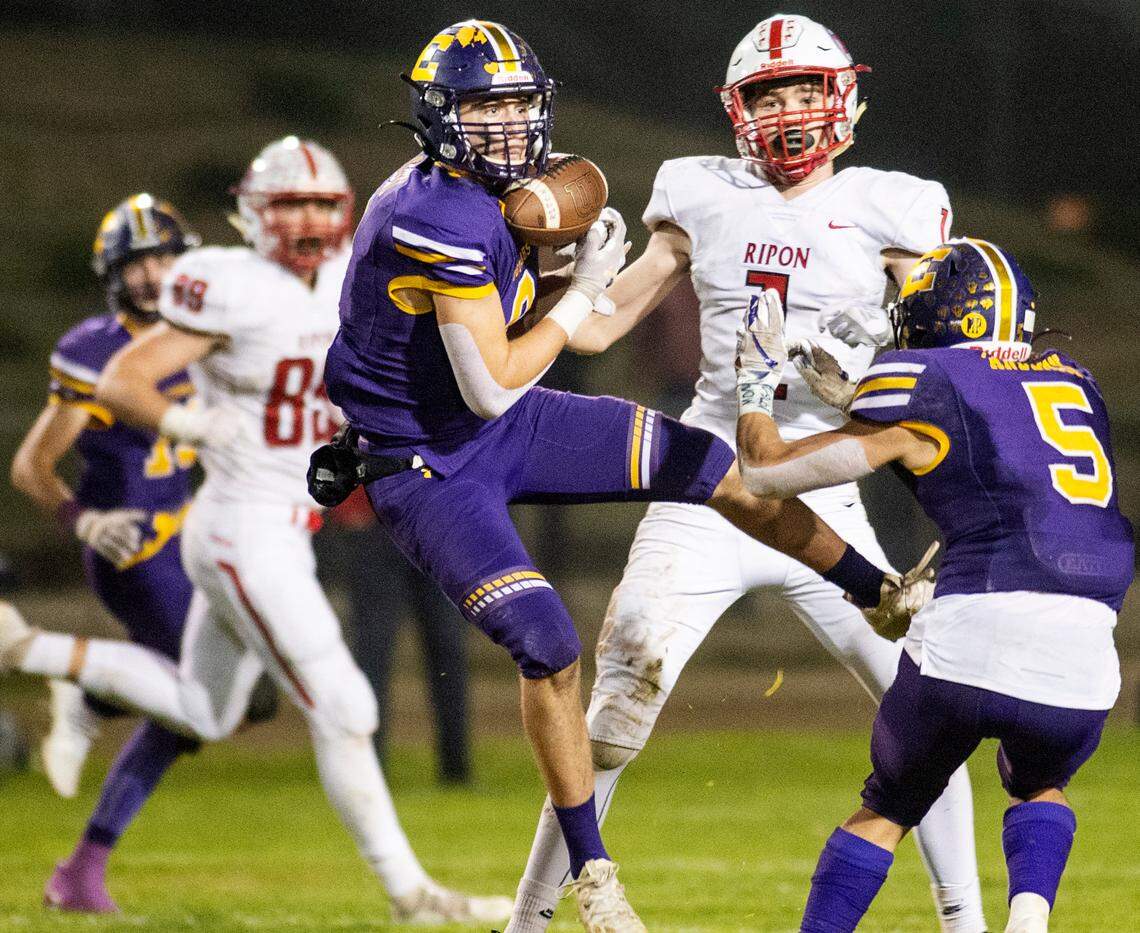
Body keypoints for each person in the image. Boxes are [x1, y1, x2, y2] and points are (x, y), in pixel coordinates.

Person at [317, 19, 924, 932]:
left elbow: (517, 343)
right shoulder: (429, 216)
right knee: (550, 645)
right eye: (483, 108)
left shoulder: (503, 189)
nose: (507, 127)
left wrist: (568, 273)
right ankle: (592, 872)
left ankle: (877, 590)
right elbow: (489, 386)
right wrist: (582, 286)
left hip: (506, 424)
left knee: (719, 468)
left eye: (517, 105)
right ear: (439, 118)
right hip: (429, 459)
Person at [507, 14, 985, 932]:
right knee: (612, 717)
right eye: (771, 93)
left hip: (825, 482)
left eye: (806, 88)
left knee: (929, 708)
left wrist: (876, 359)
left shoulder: (896, 206)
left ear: (842, 96)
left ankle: (966, 922)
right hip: (711, 480)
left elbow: (948, 346)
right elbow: (603, 326)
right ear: (739, 108)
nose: (790, 109)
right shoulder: (700, 193)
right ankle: (525, 924)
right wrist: (560, 292)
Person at [0, 138, 511, 925]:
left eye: (320, 204)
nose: (307, 219)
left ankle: (23, 648)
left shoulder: (354, 275)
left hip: (278, 526)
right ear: (254, 214)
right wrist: (187, 421)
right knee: (346, 706)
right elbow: (122, 379)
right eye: (290, 205)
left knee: (204, 711)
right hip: (243, 529)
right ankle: (414, 896)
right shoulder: (231, 283)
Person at [732, 239, 1133, 933]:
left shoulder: (923, 375)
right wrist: (864, 402)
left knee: (888, 804)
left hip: (979, 619)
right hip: (1091, 643)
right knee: (1042, 781)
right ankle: (1028, 924)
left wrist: (753, 384)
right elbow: (995, 455)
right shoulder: (1077, 380)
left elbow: (764, 474)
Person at [11, 194, 203, 912]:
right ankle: (82, 686)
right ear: (112, 274)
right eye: (137, 262)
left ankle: (82, 868)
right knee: (215, 702)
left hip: (188, 539)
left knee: (197, 712)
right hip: (130, 547)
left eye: (163, 257)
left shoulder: (199, 330)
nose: (153, 274)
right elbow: (31, 464)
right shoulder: (94, 349)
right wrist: (82, 520)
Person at [321, 487, 471, 783]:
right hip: (378, 527)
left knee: (448, 649)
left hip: (435, 526)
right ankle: (368, 766)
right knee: (372, 652)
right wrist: (349, 506)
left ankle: (456, 768)